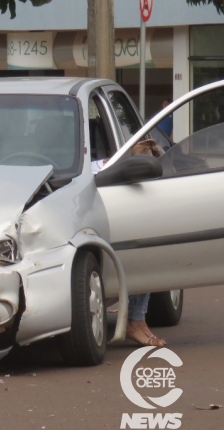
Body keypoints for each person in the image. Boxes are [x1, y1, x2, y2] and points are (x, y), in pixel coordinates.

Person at [91, 139, 166, 347]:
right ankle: (136, 322)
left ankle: (138, 321)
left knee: (146, 260)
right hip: (107, 225)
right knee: (143, 261)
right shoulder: (99, 168)